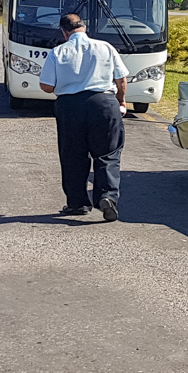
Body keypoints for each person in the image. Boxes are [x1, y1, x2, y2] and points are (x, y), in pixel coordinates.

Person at [38, 13, 127, 220]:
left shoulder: (57, 52)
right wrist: (121, 101)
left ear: (64, 32)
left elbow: (46, 86)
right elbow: (121, 79)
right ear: (84, 28)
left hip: (70, 106)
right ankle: (107, 197)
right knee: (108, 153)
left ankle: (77, 203)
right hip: (103, 103)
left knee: (73, 155)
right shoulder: (105, 47)